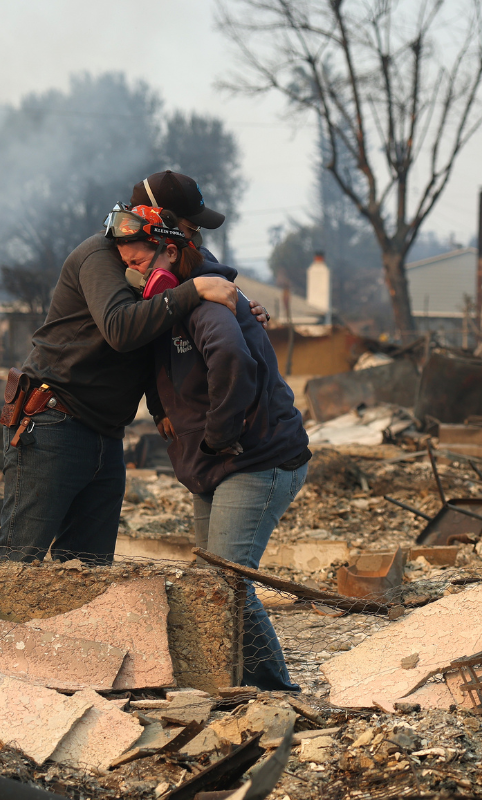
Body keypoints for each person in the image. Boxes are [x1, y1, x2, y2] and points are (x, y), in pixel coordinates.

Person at [0, 171, 269, 564]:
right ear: (164, 221)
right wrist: (192, 291)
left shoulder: (167, 258)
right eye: (191, 229)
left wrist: (243, 303)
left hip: (106, 433)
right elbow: (122, 329)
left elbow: (164, 328)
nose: (195, 241)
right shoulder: (101, 257)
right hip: (54, 423)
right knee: (18, 560)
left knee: (87, 568)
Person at [115, 205, 310, 691]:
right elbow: (159, 364)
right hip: (214, 465)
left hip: (256, 459)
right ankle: (232, 684)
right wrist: (161, 408)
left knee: (226, 585)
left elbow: (230, 357)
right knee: (212, 585)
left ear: (172, 250)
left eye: (141, 262)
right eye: (129, 264)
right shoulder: (174, 307)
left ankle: (273, 689)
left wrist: (220, 434)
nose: (134, 273)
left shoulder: (208, 303)